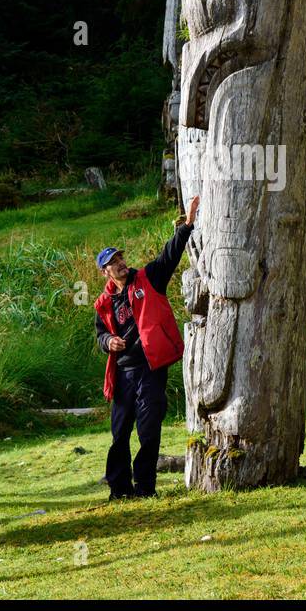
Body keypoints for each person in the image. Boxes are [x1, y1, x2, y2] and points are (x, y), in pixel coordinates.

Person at [94, 195, 199, 500]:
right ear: (105, 273)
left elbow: (169, 256)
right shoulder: (103, 303)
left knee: (149, 427)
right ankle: (119, 488)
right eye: (113, 263)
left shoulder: (148, 279)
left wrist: (186, 226)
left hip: (151, 368)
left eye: (120, 259)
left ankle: (145, 487)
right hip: (123, 372)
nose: (120, 264)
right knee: (119, 432)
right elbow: (101, 335)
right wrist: (108, 342)